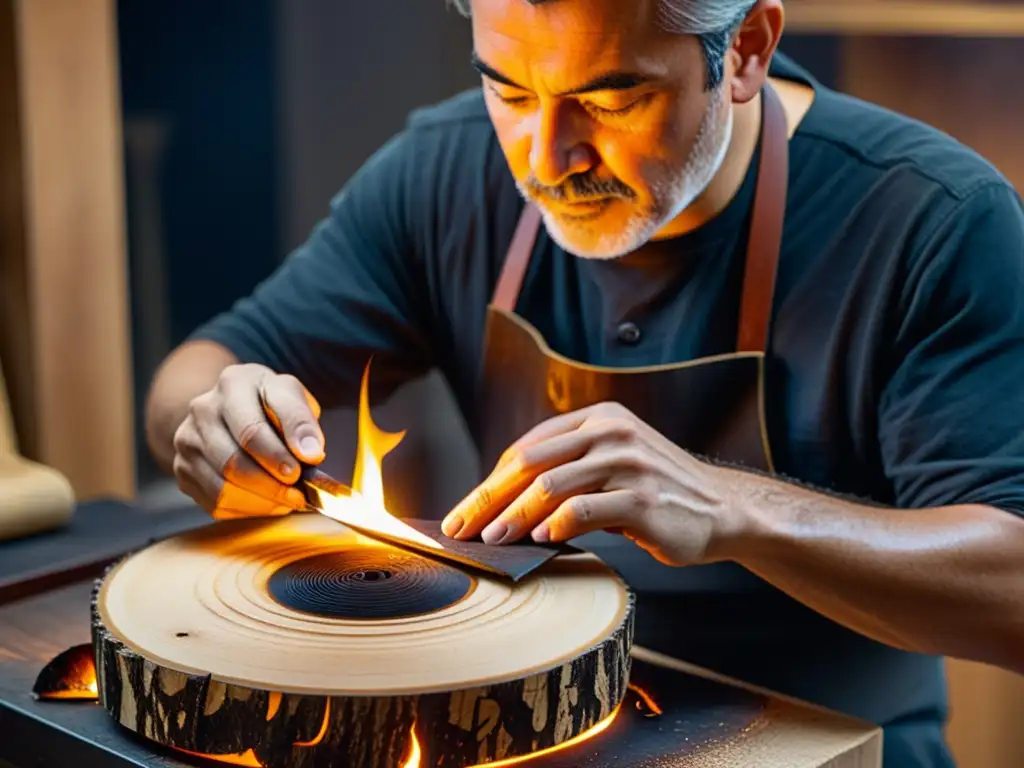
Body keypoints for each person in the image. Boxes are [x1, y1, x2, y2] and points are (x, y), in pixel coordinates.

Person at [144, 1, 1024, 765]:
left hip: (833, 743)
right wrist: (218, 423)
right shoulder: (442, 172)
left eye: (611, 98)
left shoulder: (930, 220)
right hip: (537, 735)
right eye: (511, 90)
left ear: (748, 48)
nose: (549, 158)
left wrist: (730, 508)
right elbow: (201, 369)